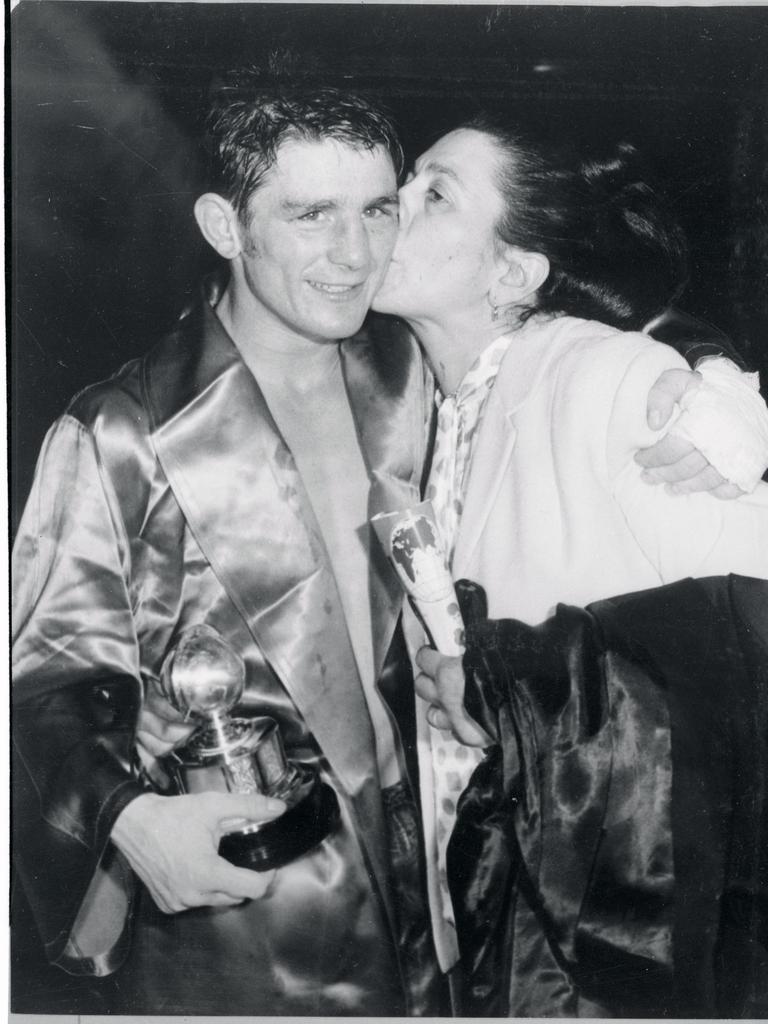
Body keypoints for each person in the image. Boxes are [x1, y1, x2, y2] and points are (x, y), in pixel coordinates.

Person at [10, 85, 762, 1016]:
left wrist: (718, 391)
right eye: (309, 213)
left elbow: (567, 319)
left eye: (378, 207)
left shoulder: (402, 369)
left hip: (448, 904)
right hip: (250, 926)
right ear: (223, 225)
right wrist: (129, 817)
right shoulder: (118, 432)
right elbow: (41, 686)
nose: (356, 251)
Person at [370, 116, 768, 1015]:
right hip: (501, 921)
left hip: (626, 950)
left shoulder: (610, 381)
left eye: (434, 193)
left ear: (512, 271)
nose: (389, 206)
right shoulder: (425, 408)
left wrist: (519, 685)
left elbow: (753, 649)